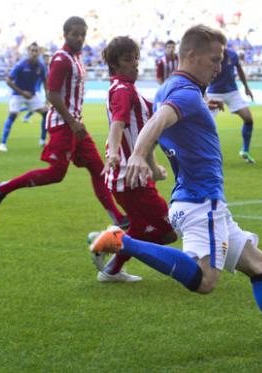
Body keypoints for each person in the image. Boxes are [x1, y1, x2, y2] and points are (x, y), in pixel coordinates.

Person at [89, 25, 262, 357]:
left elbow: (168, 114)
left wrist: (204, 106)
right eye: (214, 60)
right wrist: (136, 155)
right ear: (190, 55)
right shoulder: (184, 94)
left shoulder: (174, 88)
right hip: (202, 202)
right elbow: (159, 120)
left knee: (259, 266)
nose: (219, 68)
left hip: (196, 201)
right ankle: (123, 241)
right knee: (205, 280)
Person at [0, 16, 127, 230]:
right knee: (56, 174)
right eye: (75, 34)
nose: (79, 38)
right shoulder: (61, 59)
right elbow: (52, 94)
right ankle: (2, 188)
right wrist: (72, 123)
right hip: (65, 124)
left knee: (98, 169)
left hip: (75, 124)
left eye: (82, 34)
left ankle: (118, 217)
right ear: (65, 34)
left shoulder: (77, 57)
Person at [92, 35, 178, 283]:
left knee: (152, 229)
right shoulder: (121, 90)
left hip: (135, 175)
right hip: (128, 176)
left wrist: (202, 104)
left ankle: (112, 265)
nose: (136, 64)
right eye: (129, 60)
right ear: (115, 65)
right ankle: (111, 242)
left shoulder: (128, 90)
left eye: (136, 58)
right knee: (166, 230)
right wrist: (113, 154)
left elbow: (156, 114)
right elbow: (118, 123)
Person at [206, 45, 257, 163]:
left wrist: (246, 87)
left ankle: (245, 150)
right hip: (214, 93)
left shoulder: (233, 55)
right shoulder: (210, 56)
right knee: (205, 123)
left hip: (232, 92)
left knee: (248, 119)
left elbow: (239, 69)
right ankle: (204, 153)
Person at [0, 42, 48, 151]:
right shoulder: (21, 65)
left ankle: (43, 140)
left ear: (39, 52)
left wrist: (48, 98)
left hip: (32, 95)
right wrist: (22, 92)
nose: (34, 53)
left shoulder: (41, 66)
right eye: (32, 51)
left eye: (36, 51)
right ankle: (2, 143)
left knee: (46, 113)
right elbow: (8, 80)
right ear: (28, 52)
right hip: (18, 94)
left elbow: (45, 82)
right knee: (13, 115)